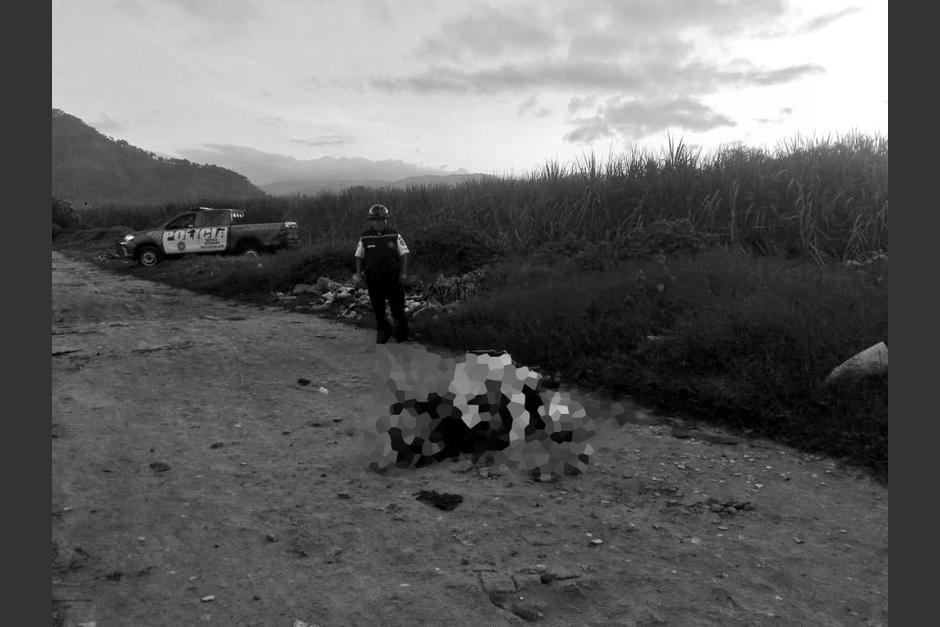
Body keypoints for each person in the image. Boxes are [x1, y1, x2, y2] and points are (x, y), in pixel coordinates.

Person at [354, 203, 411, 343]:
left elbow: (403, 254)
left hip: (393, 278)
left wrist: (403, 273)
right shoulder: (365, 237)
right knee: (378, 308)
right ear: (371, 221)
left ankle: (402, 334)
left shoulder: (394, 234)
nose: (380, 222)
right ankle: (384, 332)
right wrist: (359, 274)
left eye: (383, 220)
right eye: (377, 220)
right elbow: (359, 256)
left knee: (397, 307)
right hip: (373, 278)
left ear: (387, 220)